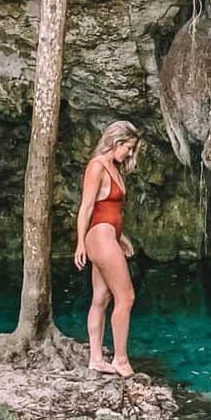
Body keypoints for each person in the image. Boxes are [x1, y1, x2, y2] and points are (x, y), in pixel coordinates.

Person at [75, 120, 141, 375]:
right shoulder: (97, 166)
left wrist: (120, 237)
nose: (130, 154)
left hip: (109, 236)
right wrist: (80, 243)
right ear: (117, 142)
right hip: (99, 237)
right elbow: (88, 208)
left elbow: (110, 209)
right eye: (129, 148)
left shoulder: (114, 167)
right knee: (126, 297)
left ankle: (96, 359)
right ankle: (120, 359)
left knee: (101, 299)